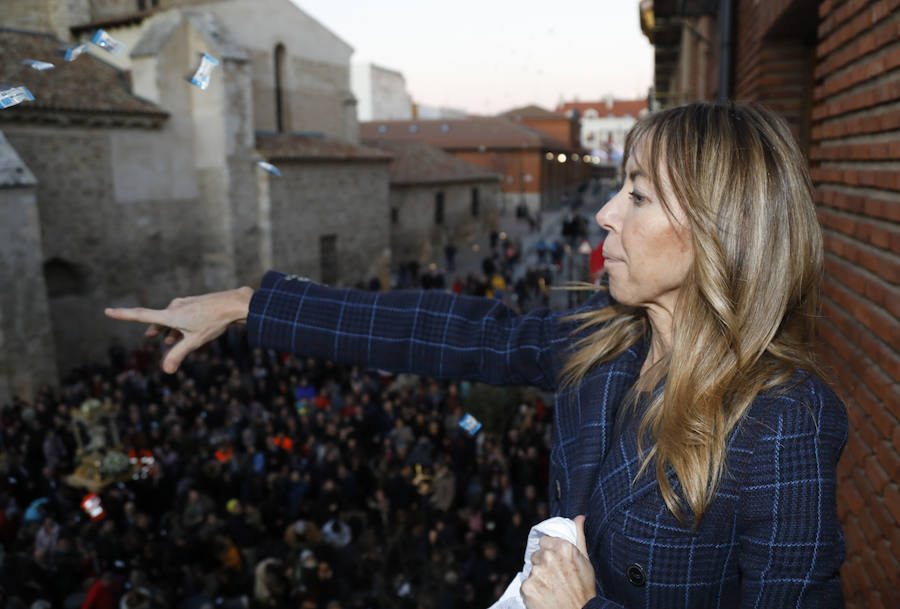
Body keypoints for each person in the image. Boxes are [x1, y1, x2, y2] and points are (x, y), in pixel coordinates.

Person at [106, 101, 847, 608]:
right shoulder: (606, 343)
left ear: (717, 231)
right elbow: (445, 330)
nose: (604, 213)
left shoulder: (781, 422)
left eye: (639, 194)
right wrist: (248, 304)